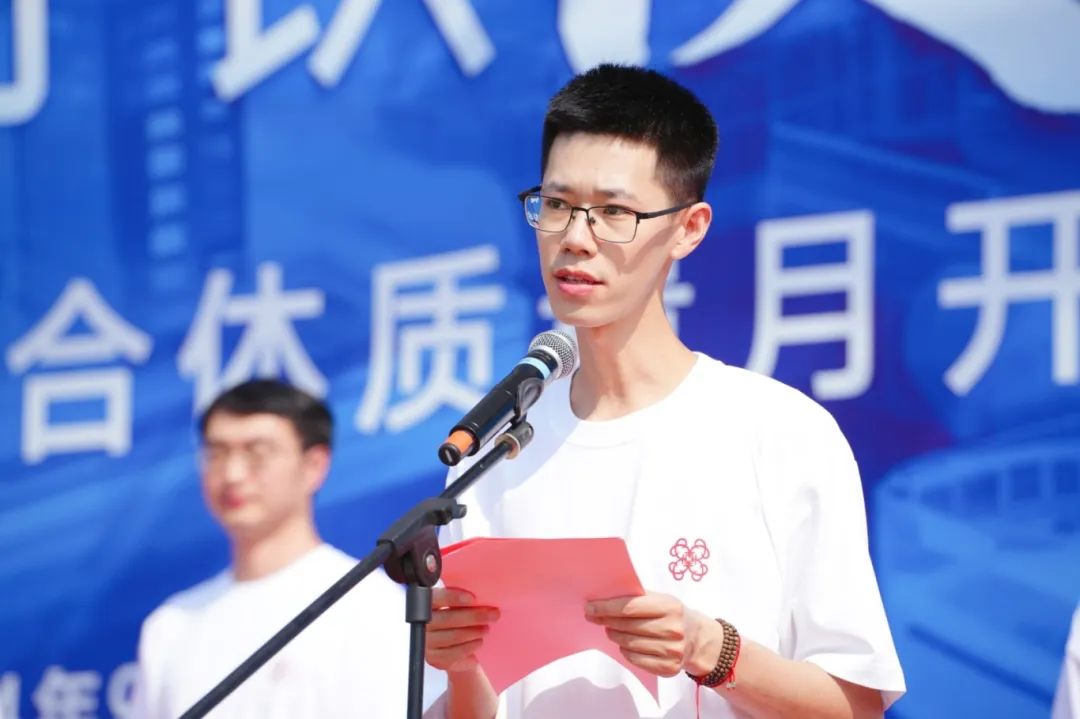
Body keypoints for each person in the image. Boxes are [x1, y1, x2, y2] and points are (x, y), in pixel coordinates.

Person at [422, 64, 906, 718]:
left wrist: (713, 648)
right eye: (557, 205)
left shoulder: (780, 431)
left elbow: (857, 703)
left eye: (614, 212)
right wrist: (461, 667)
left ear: (689, 227)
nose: (575, 238)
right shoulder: (497, 454)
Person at [132, 379, 408, 719]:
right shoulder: (171, 624)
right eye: (217, 453)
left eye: (257, 453)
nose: (232, 474)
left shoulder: (368, 605)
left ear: (314, 466)